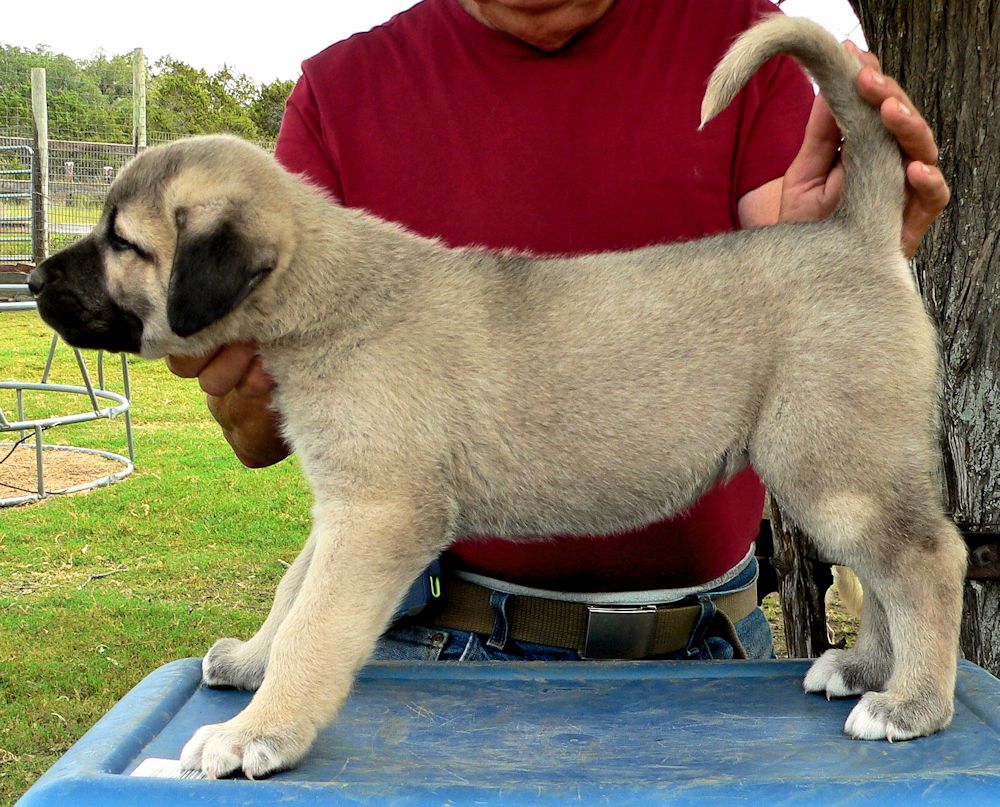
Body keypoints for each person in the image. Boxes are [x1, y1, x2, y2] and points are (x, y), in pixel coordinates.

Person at [167, 0, 949, 662]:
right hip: (455, 640)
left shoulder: (733, 27)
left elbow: (779, 241)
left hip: (713, 638)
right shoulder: (339, 95)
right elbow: (260, 433)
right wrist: (262, 373)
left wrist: (811, 265)